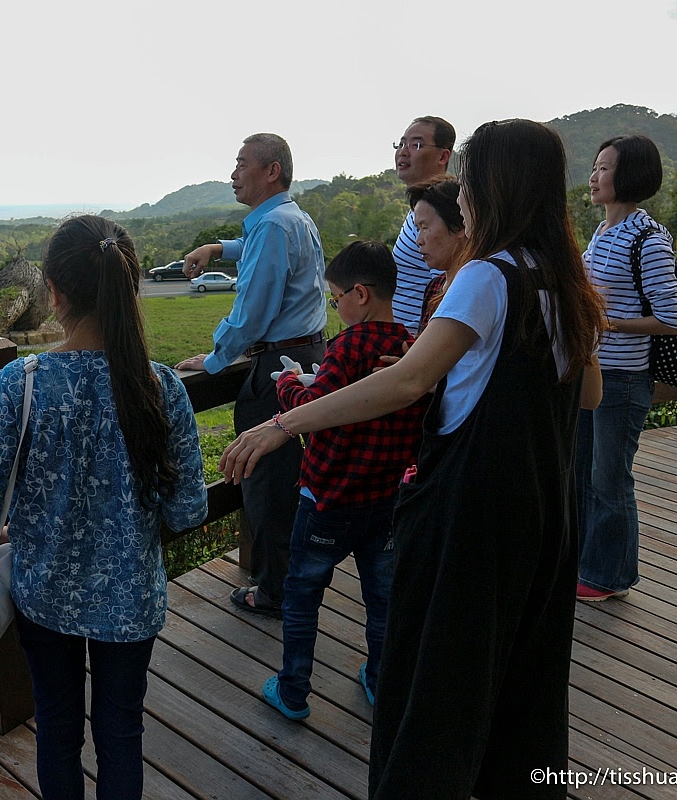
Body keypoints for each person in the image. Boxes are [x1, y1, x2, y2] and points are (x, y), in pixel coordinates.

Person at [219, 119, 605, 799]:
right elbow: (589, 392)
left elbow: (404, 384)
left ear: (495, 188)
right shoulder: (560, 277)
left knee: (436, 681)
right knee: (525, 677)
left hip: (469, 510)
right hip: (545, 505)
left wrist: (283, 422)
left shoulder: (486, 274)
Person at [0, 215, 207, 800]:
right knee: (122, 730)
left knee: (58, 729)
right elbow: (189, 508)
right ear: (130, 286)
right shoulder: (160, 385)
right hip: (131, 598)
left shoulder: (21, 382)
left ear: (55, 291)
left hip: (44, 596)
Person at [260, 241, 428, 721]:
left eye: (335, 299)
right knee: (382, 598)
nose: (334, 308)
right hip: (386, 497)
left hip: (329, 499)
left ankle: (293, 690)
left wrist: (288, 385)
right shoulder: (410, 348)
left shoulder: (350, 345)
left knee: (302, 594)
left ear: (359, 294)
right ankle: (379, 679)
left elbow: (315, 412)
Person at [176, 133, 327, 617]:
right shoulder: (292, 218)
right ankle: (286, 581)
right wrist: (217, 246)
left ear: (271, 172)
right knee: (288, 478)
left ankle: (274, 591)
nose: (233, 172)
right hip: (306, 357)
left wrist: (217, 358)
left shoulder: (274, 227)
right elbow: (256, 247)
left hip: (277, 367)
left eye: (242, 163)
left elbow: (253, 311)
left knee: (265, 480)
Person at [576, 134, 677, 602]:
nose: (595, 176)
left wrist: (610, 322)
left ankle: (609, 576)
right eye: (596, 167)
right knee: (583, 472)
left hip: (622, 379)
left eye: (605, 168)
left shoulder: (648, 239)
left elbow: (670, 318)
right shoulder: (603, 232)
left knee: (609, 479)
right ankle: (585, 562)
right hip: (592, 372)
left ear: (631, 175)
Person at [391, 116, 455, 334]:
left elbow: (445, 290)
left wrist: (420, 351)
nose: (403, 152)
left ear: (443, 155)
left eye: (416, 145)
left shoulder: (444, 212)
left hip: (416, 349)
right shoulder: (419, 209)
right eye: (401, 144)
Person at [408, 176, 468, 332]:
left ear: (460, 226)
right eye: (418, 229)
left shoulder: (474, 289)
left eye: (425, 227)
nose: (419, 240)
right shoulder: (435, 287)